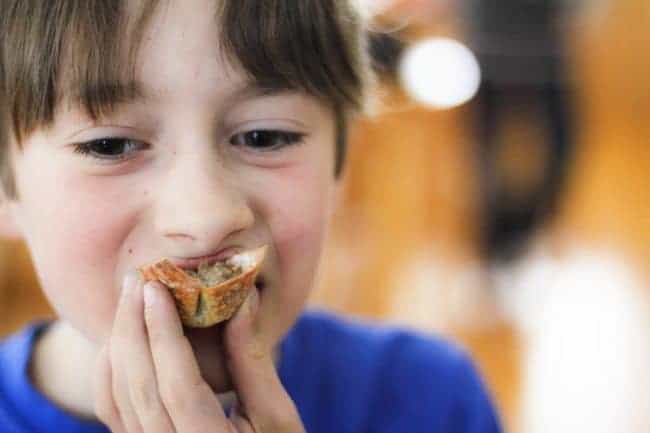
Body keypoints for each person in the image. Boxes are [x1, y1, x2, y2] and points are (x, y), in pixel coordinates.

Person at [0, 1, 503, 432]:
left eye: (265, 137)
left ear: (339, 167)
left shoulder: (428, 399)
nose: (208, 217)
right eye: (110, 146)